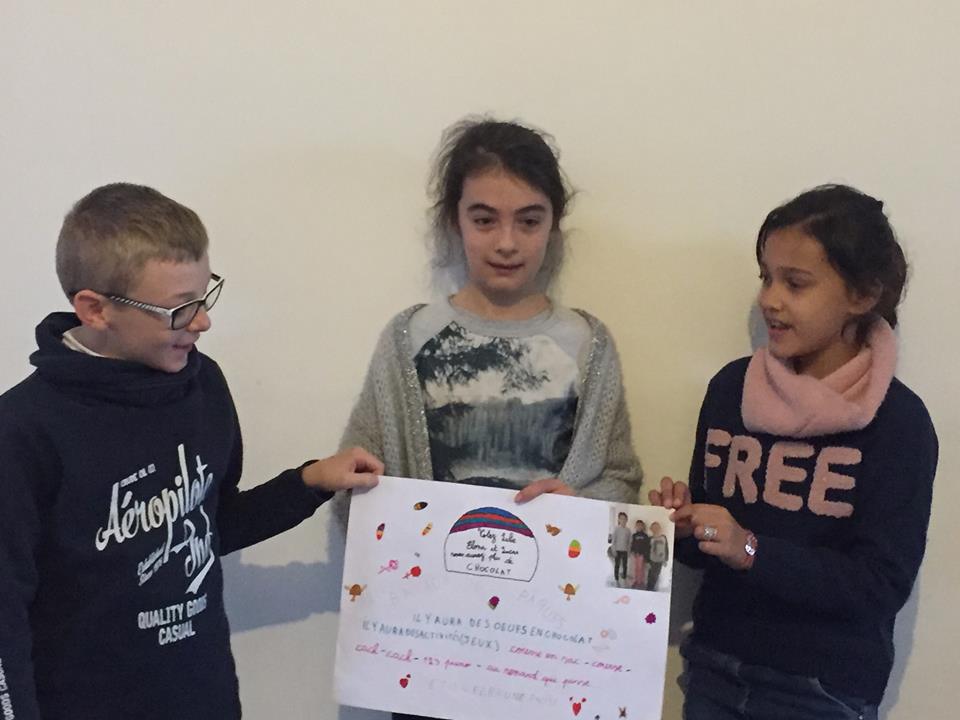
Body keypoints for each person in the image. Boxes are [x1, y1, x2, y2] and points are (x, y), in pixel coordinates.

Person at [0, 183, 383, 720]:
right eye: (179, 309)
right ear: (95, 309)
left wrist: (309, 482)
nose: (202, 321)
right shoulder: (22, 430)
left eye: (204, 296)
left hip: (204, 698)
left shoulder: (202, 386)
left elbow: (209, 525)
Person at [337, 117, 643, 720]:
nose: (507, 242)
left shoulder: (588, 344)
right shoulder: (409, 339)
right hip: (433, 647)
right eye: (484, 219)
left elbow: (621, 483)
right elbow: (359, 490)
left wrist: (578, 510)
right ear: (455, 220)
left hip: (548, 650)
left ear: (553, 224)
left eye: (529, 221)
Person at [651, 185, 938, 719]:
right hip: (715, 667)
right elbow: (707, 550)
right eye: (766, 276)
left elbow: (879, 584)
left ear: (862, 294)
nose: (770, 299)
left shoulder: (898, 423)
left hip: (821, 689)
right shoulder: (731, 391)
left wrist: (750, 548)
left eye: (796, 283)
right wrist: (686, 525)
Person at [646, 521, 669, 591]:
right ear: (651, 529)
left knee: (656, 575)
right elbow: (647, 550)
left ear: (659, 528)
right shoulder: (650, 538)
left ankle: (653, 589)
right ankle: (649, 589)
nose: (655, 529)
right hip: (652, 560)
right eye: (654, 528)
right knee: (651, 576)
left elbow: (666, 548)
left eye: (657, 527)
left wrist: (666, 559)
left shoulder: (664, 537)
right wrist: (647, 562)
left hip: (660, 561)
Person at [611, 511, 632, 586]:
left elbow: (629, 541)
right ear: (619, 520)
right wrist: (613, 550)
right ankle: (616, 579)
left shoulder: (628, 530)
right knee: (617, 565)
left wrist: (629, 551)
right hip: (617, 550)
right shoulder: (616, 529)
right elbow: (613, 540)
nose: (623, 520)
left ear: (626, 520)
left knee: (625, 565)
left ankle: (624, 577)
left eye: (624, 519)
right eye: (621, 518)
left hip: (625, 550)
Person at [630, 519, 650, 589]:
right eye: (637, 525)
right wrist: (632, 551)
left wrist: (645, 555)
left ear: (643, 527)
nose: (639, 527)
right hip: (636, 554)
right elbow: (632, 544)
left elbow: (647, 546)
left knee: (641, 569)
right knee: (636, 569)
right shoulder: (634, 535)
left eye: (640, 525)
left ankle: (640, 582)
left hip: (642, 555)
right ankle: (636, 581)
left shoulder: (645, 536)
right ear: (636, 526)